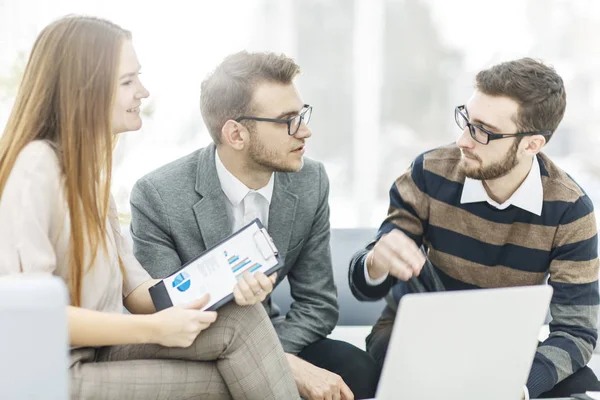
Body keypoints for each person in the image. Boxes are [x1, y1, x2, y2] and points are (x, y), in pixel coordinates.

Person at [0, 15, 299, 400]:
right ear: (84, 89)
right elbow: (34, 319)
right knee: (235, 377)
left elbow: (139, 291)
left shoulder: (91, 175)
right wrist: (157, 329)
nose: (143, 91)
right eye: (128, 81)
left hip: (98, 351)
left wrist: (222, 285)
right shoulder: (36, 166)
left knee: (241, 319)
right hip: (53, 372)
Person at [129, 50, 379, 400]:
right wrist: (279, 365)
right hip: (194, 348)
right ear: (235, 134)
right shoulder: (157, 195)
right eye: (288, 120)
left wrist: (277, 356)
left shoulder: (311, 181)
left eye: (302, 114)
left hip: (275, 335)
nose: (305, 131)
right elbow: (168, 316)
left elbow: (318, 304)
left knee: (356, 369)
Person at [348, 58, 600, 399]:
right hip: (413, 334)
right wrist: (375, 264)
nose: (463, 140)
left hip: (506, 348)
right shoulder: (428, 172)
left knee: (583, 388)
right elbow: (367, 286)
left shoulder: (570, 211)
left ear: (532, 144)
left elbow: (576, 331)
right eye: (466, 119)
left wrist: (518, 388)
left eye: (482, 131)